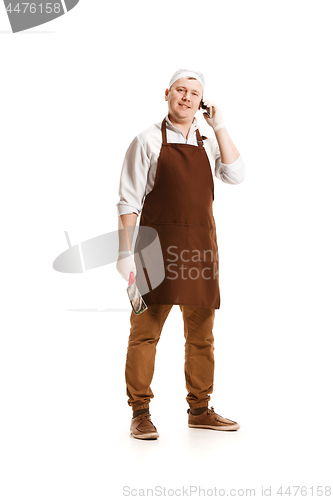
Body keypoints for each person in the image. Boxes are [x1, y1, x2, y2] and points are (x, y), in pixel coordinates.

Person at [116, 69, 245, 440]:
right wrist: (125, 253)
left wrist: (219, 125)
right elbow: (128, 201)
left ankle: (200, 410)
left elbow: (236, 175)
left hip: (201, 250)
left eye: (194, 93)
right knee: (145, 333)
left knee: (202, 336)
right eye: (181, 91)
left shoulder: (209, 142)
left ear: (201, 102)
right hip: (155, 251)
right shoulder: (146, 141)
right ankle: (140, 412)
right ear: (168, 93)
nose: (186, 98)